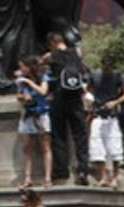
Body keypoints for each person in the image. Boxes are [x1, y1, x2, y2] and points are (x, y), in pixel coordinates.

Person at [43, 31, 89, 185]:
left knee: (58, 135)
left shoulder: (52, 57)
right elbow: (83, 72)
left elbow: (47, 77)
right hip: (76, 98)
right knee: (81, 134)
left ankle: (61, 171)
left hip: (59, 98)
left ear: (52, 44)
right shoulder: (75, 54)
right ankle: (83, 169)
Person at [86, 56, 124, 188]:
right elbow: (88, 89)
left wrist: (115, 102)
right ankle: (104, 176)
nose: (107, 69)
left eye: (109, 67)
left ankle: (115, 177)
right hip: (98, 114)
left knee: (114, 146)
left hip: (112, 115)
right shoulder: (95, 75)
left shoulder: (119, 76)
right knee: (97, 146)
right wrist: (90, 100)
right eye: (105, 66)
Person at [15, 55, 53, 188]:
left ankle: (47, 178)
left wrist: (29, 82)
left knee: (45, 146)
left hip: (41, 114)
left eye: (23, 67)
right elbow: (19, 95)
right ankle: (27, 178)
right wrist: (23, 97)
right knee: (27, 148)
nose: (21, 69)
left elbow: (43, 91)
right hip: (28, 115)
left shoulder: (43, 77)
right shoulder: (21, 82)